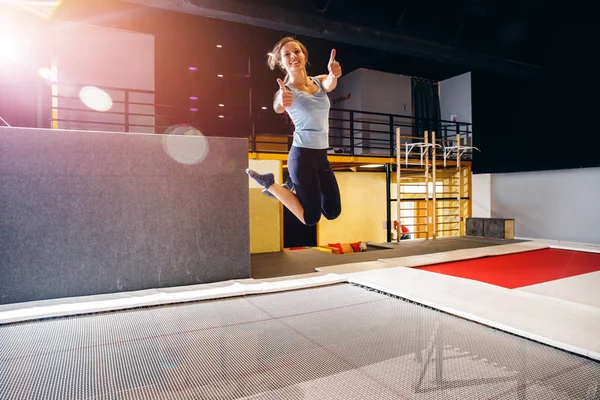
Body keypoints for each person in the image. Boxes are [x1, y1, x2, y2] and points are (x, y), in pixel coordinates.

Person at [245, 36, 342, 226]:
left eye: (297, 51)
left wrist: (333, 74)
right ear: (281, 63)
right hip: (302, 156)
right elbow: (277, 106)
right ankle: (270, 184)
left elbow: (330, 83)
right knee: (310, 217)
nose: (293, 56)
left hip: (321, 155)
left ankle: (288, 188)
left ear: (304, 55)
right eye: (286, 54)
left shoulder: (319, 81)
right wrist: (282, 101)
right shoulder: (286, 91)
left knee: (332, 212)